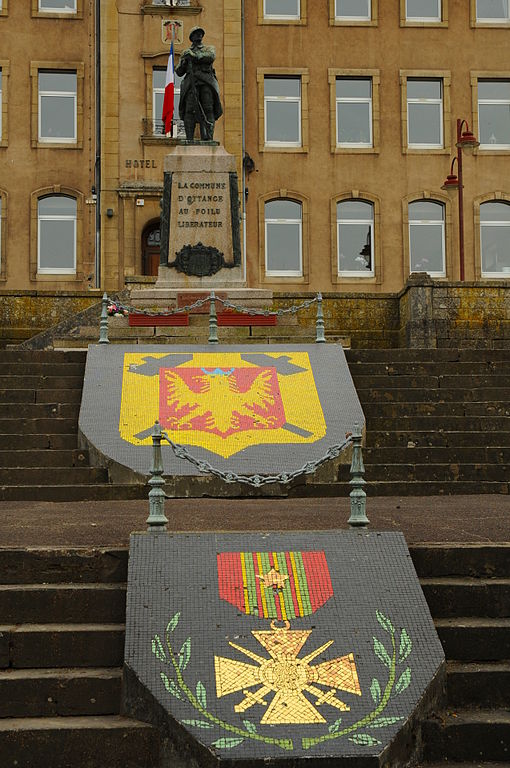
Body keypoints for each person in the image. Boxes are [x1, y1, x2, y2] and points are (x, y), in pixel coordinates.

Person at [176, 27, 223, 141]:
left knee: (208, 108)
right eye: (196, 34)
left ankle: (208, 137)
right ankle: (189, 138)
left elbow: (210, 57)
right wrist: (184, 62)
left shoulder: (208, 48)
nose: (198, 36)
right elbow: (178, 71)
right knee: (189, 109)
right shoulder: (185, 52)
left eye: (200, 34)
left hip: (206, 82)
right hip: (191, 83)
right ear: (191, 38)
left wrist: (195, 56)